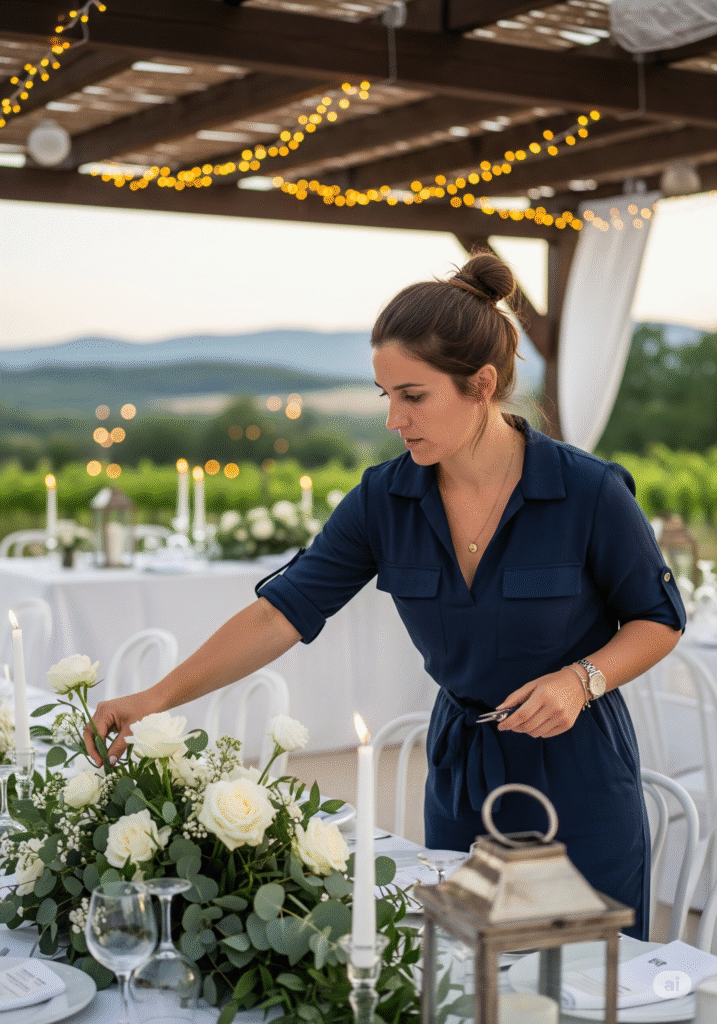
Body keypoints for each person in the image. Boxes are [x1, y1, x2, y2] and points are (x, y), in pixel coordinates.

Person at [85, 249, 685, 940]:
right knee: (462, 967)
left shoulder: (588, 491)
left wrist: (582, 680)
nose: (394, 419)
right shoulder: (384, 499)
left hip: (579, 773)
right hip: (461, 775)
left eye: (413, 395)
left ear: (481, 384)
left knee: (593, 974)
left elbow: (658, 619)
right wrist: (156, 698)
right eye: (385, 396)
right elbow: (280, 613)